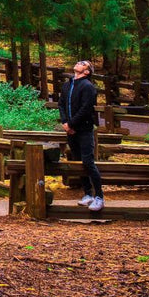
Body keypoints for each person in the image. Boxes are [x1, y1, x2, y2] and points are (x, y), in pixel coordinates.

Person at [59, 59, 104, 212]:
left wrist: (71, 124)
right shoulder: (67, 85)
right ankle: (87, 194)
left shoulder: (88, 86)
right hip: (70, 131)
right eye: (78, 62)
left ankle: (99, 197)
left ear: (87, 71)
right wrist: (65, 122)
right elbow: (61, 104)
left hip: (84, 129)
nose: (79, 63)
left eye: (83, 63)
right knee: (78, 161)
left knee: (88, 162)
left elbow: (86, 109)